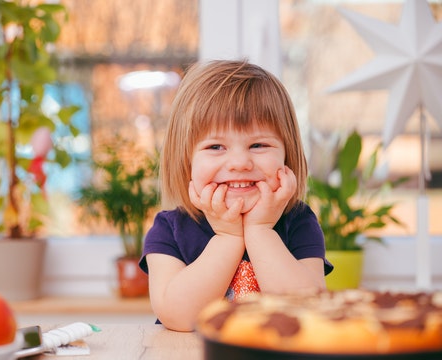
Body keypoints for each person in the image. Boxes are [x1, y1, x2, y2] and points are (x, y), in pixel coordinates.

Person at [139, 59, 333, 332]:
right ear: (186, 162)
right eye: (216, 146)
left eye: (259, 144)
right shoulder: (169, 229)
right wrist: (228, 237)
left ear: (287, 156)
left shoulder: (299, 222)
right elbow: (178, 316)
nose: (240, 162)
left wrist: (260, 230)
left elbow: (307, 313)